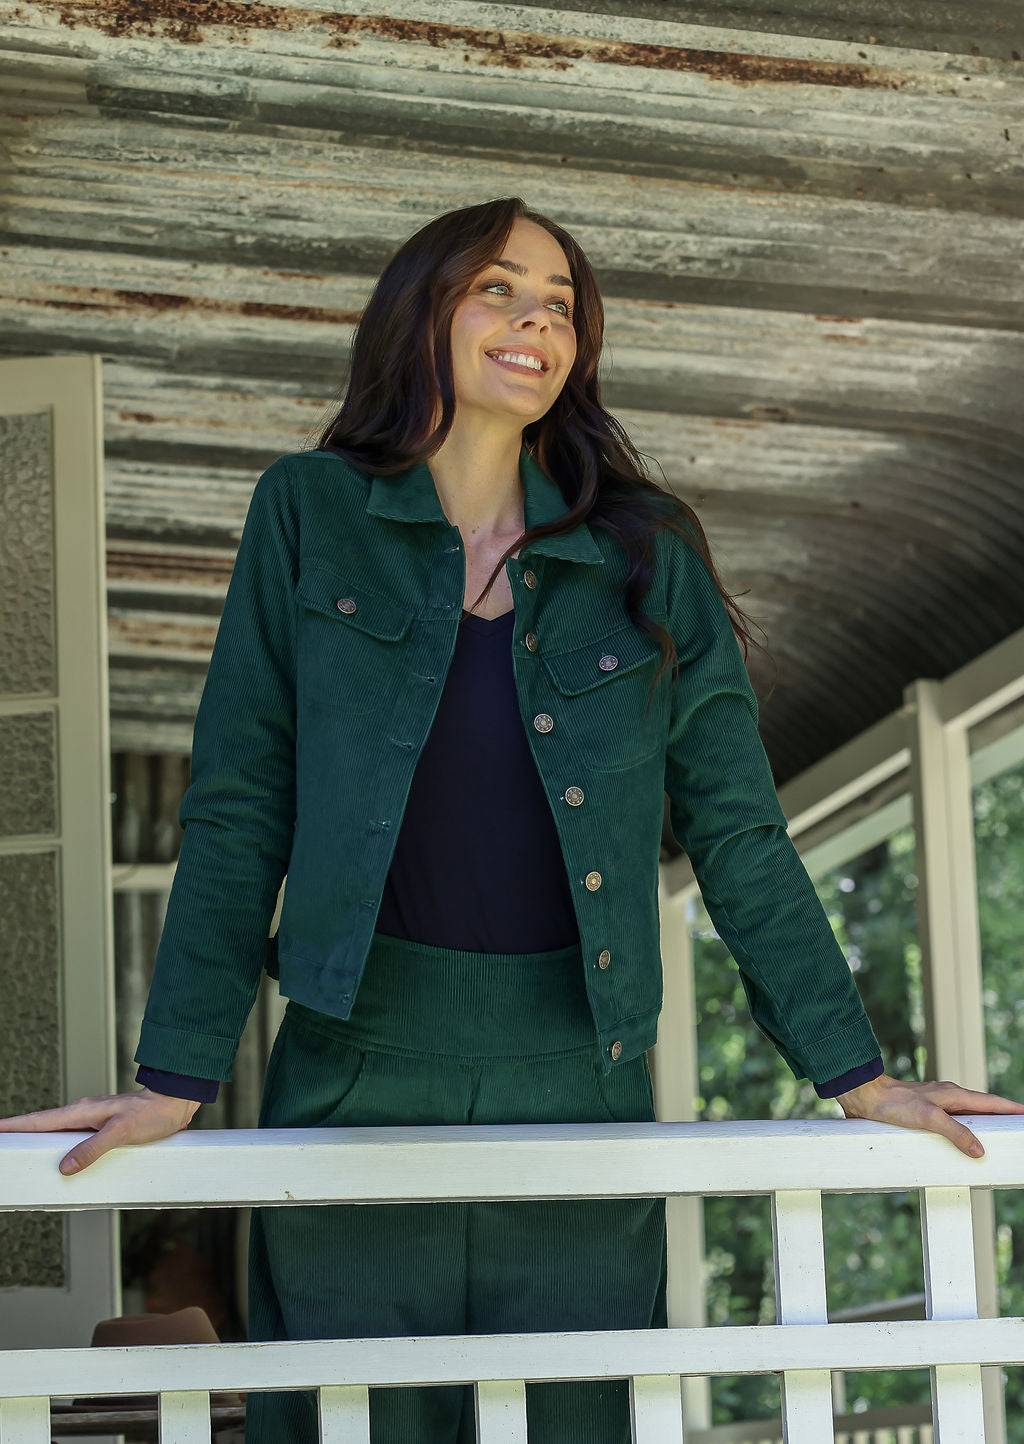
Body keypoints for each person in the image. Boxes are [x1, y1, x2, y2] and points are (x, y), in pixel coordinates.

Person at [2, 195, 1021, 1444]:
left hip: (578, 1066)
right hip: (354, 1064)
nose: (537, 318)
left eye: (560, 303)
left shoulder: (650, 552)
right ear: (420, 307)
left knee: (576, 1418)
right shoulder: (305, 512)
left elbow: (737, 829)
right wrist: (175, 1078)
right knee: (345, 1422)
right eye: (499, 287)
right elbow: (237, 805)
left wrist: (853, 1075)